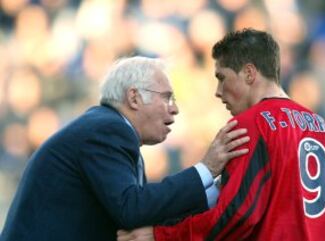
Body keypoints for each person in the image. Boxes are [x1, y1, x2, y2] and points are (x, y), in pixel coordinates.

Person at [117, 29, 325, 241]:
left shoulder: (251, 126)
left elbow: (238, 215)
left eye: (222, 78)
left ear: (249, 73)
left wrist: (162, 235)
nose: (218, 92)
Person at [0, 57, 251, 241]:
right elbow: (132, 209)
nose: (174, 109)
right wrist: (206, 169)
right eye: (166, 97)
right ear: (134, 98)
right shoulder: (107, 130)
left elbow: (140, 213)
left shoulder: (107, 129)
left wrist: (217, 192)